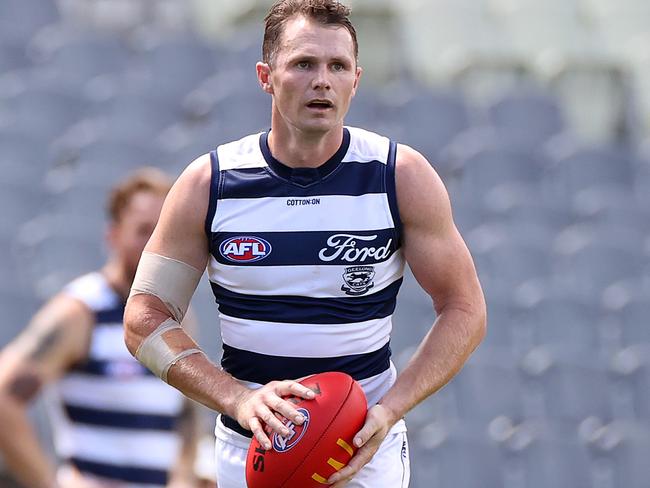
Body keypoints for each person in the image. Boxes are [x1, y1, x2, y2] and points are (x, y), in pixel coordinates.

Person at [123, 1, 487, 487]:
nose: (323, 80)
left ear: (356, 80)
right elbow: (143, 318)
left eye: (337, 66)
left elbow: (465, 309)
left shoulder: (401, 177)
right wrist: (238, 399)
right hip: (251, 448)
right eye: (303, 64)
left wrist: (389, 409)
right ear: (265, 76)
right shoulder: (209, 183)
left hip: (362, 451)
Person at [0, 168, 204, 488]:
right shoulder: (81, 311)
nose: (154, 246)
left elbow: (186, 413)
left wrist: (184, 476)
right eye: (142, 231)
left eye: (162, 233)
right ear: (112, 235)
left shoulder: (175, 314)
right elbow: (3, 397)